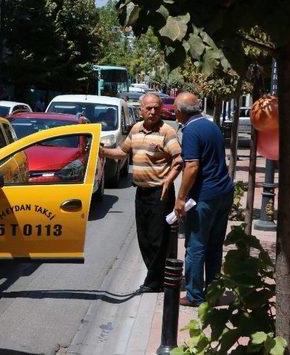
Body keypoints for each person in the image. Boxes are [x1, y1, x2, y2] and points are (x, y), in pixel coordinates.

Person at [100, 93, 183, 293]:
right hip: (142, 193)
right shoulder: (136, 129)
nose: (153, 112)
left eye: (156, 108)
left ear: (161, 108)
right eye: (149, 108)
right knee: (143, 237)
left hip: (159, 193)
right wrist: (101, 151)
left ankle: (154, 282)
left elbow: (178, 160)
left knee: (157, 238)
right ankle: (156, 277)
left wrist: (168, 181)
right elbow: (122, 152)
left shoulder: (167, 132)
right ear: (141, 110)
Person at [174, 92, 234, 307]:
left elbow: (192, 166)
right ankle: (214, 291)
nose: (174, 113)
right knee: (215, 244)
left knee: (196, 246)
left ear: (180, 112)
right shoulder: (211, 125)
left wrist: (180, 198)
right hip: (224, 192)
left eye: (175, 110)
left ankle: (194, 295)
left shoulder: (190, 130)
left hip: (205, 196)